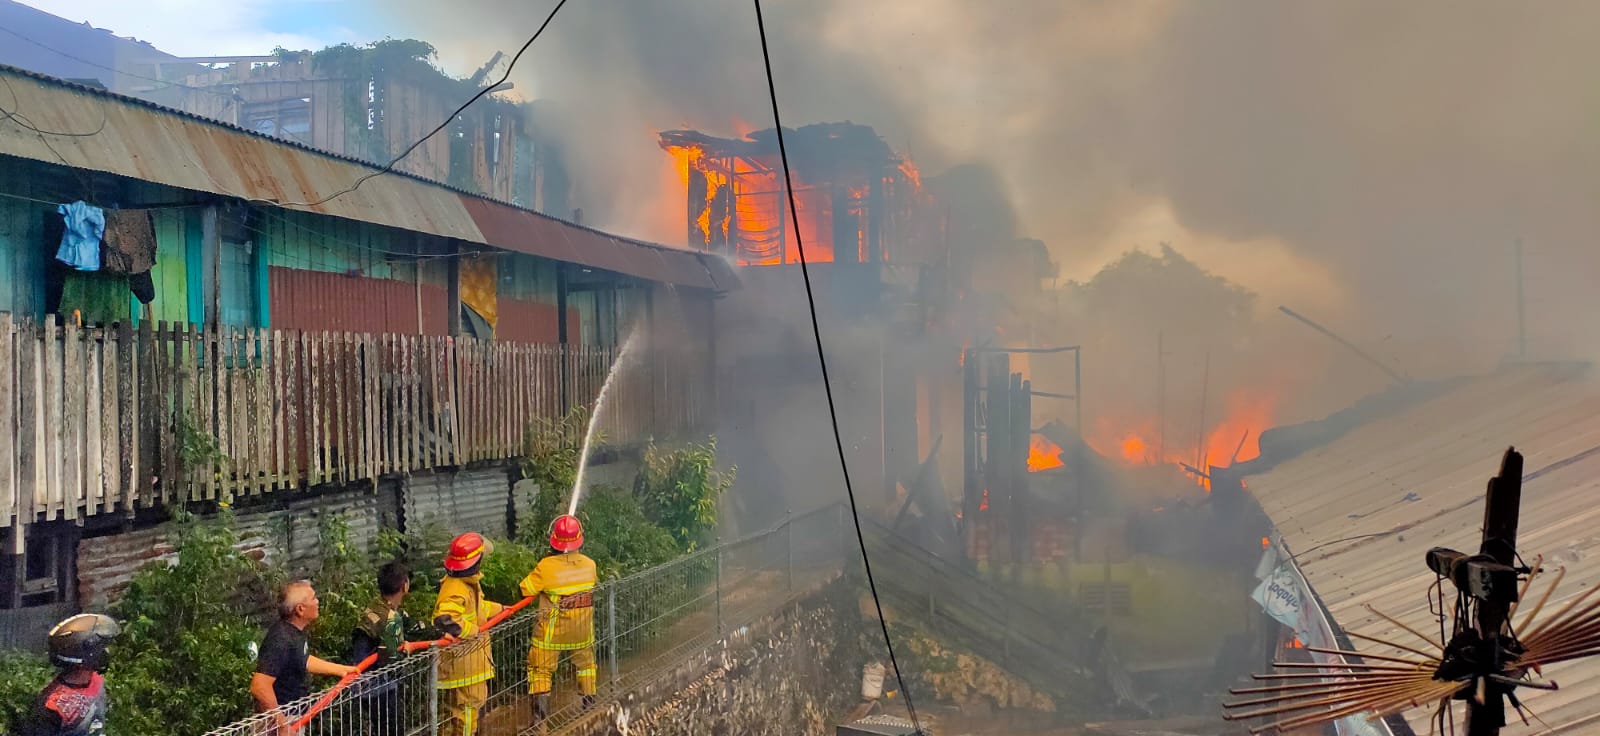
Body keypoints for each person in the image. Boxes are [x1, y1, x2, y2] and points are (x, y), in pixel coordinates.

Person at [519, 514, 599, 724]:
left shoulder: (546, 567)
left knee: (540, 671)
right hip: (582, 631)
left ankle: (540, 721)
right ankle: (589, 707)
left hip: (550, 635)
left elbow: (524, 589)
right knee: (586, 666)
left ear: (552, 538)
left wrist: (548, 561)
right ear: (580, 538)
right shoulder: (590, 565)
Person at [432, 532, 506, 736]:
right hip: (462, 662)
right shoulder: (456, 588)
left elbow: (477, 609)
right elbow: (445, 619)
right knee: (466, 711)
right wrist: (473, 631)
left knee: (467, 708)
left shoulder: (467, 583)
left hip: (469, 662)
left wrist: (501, 609)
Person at [252, 581, 358, 719]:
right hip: (278, 720)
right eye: (313, 598)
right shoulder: (281, 640)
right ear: (300, 609)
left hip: (292, 715)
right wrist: (281, 723)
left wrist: (340, 669)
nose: (317, 601)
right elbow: (259, 686)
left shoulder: (294, 632)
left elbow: (302, 658)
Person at [352, 561, 425, 736]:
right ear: (404, 586)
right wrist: (405, 651)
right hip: (379, 686)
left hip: (362, 682)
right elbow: (390, 660)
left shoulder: (376, 606)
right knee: (390, 729)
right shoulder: (392, 618)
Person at [18, 613, 120, 736]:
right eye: (101, 648)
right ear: (88, 655)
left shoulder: (95, 681)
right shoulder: (52, 706)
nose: (106, 652)